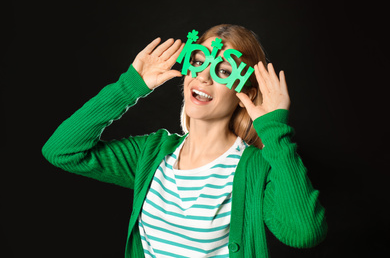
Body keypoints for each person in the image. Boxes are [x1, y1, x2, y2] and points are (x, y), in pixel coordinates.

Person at [42, 24, 327, 257]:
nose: (203, 77)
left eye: (223, 71)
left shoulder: (254, 168)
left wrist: (273, 130)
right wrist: (129, 88)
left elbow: (304, 233)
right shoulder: (151, 155)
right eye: (198, 61)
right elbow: (61, 151)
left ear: (246, 95)